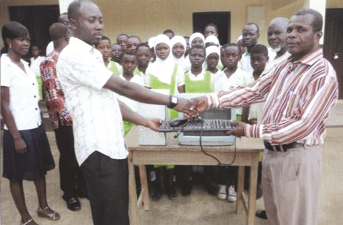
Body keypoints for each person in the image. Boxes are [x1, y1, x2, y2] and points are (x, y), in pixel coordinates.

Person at [193, 9, 338, 225]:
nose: (291, 35)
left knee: (294, 219)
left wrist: (250, 130)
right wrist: (210, 100)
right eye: (289, 30)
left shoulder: (322, 74)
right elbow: (254, 90)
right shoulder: (285, 66)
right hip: (271, 152)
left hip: (296, 156)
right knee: (275, 216)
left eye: (301, 29)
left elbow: (303, 125)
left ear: (318, 35)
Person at [57, 2, 195, 225]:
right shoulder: (74, 55)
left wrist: (144, 121)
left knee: (118, 211)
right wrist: (173, 101)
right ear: (72, 24)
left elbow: (110, 99)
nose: (98, 25)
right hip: (98, 149)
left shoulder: (91, 54)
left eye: (100, 20)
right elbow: (125, 88)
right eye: (91, 20)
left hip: (112, 146)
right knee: (111, 216)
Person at [1, 21, 60, 225]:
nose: (26, 43)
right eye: (20, 39)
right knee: (16, 177)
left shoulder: (25, 64)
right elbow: (4, 105)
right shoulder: (3, 66)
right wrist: (16, 137)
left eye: (27, 39)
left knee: (39, 170)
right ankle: (25, 217)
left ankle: (43, 207)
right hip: (18, 131)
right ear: (9, 41)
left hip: (35, 126)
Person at [40, 22, 87, 212]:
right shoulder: (49, 61)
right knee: (68, 157)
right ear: (67, 36)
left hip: (80, 115)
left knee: (82, 153)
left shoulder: (73, 58)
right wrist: (70, 117)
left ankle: (83, 188)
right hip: (64, 119)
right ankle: (69, 193)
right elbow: (52, 95)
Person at [145, 34, 185, 201]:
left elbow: (182, 93)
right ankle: (159, 186)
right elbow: (146, 93)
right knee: (158, 147)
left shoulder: (178, 67)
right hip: (155, 112)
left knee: (172, 147)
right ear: (154, 50)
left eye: (165, 48)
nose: (162, 51)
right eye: (159, 48)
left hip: (174, 111)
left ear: (169, 49)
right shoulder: (150, 68)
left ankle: (170, 185)